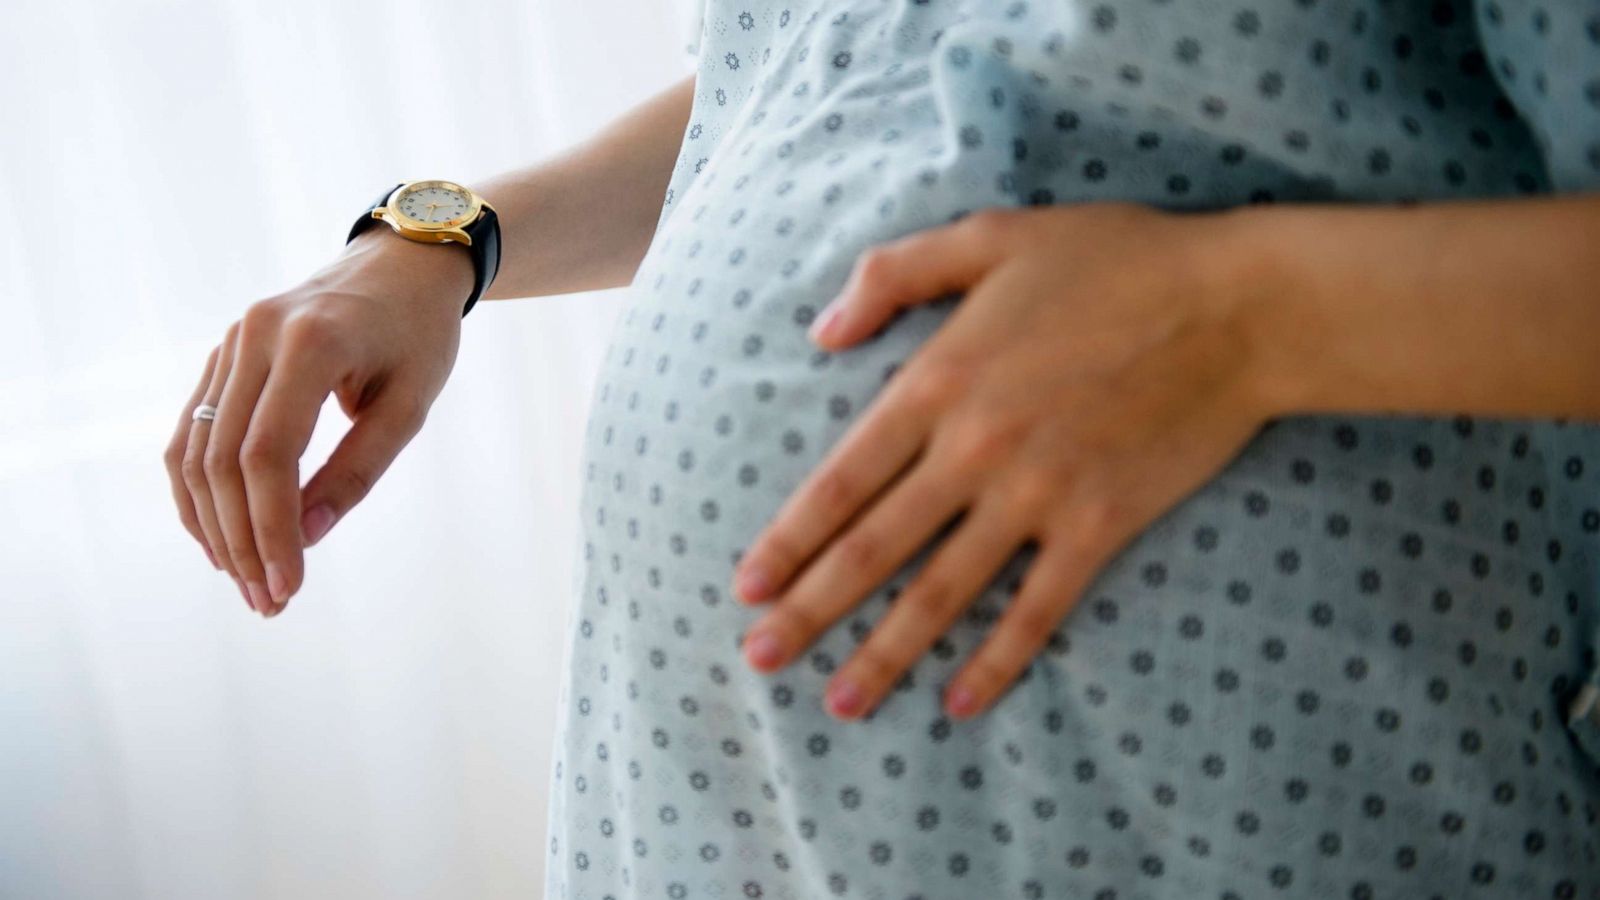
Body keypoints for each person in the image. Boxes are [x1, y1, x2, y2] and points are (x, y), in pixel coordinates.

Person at [165, 1, 1600, 897]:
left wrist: (1241, 317)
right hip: (705, 810)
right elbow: (804, 88)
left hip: (1231, 814)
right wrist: (440, 241)